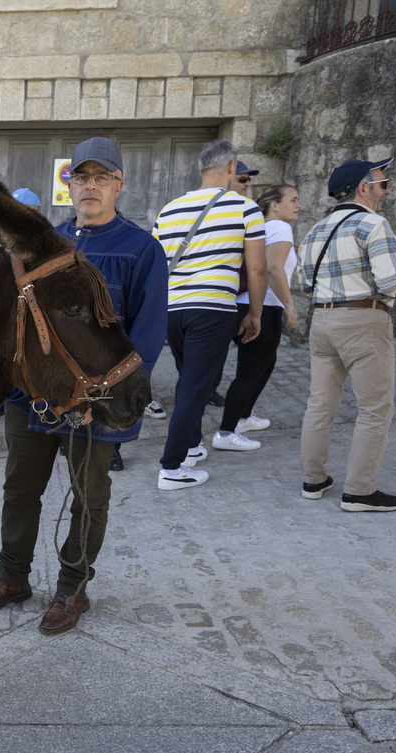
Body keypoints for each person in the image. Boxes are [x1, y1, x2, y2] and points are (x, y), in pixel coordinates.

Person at [0, 137, 167, 634]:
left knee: (88, 495)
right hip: (34, 398)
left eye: (101, 177)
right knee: (19, 490)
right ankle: (12, 576)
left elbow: (147, 334)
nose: (90, 186)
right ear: (68, 184)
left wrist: (107, 397)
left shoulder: (141, 250)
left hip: (93, 404)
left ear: (119, 184)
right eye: (81, 177)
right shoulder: (46, 245)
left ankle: (72, 588)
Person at [298, 157, 396, 512]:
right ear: (363, 188)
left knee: (320, 404)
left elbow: (307, 285)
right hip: (364, 319)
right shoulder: (374, 225)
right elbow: (391, 285)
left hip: (321, 321)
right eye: (383, 184)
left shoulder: (315, 230)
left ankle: (313, 480)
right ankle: (359, 492)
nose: (387, 190)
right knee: (375, 409)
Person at [151, 140, 266, 491]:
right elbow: (258, 269)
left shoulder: (169, 209)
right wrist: (255, 315)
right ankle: (172, 467)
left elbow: (157, 265)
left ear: (201, 169)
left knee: (190, 380)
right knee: (195, 386)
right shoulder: (244, 208)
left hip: (172, 309)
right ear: (231, 167)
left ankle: (191, 446)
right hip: (212, 308)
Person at [212, 184, 301, 448]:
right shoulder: (280, 228)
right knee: (250, 371)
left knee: (265, 364)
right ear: (274, 204)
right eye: (293, 200)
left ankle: (244, 416)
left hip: (242, 302)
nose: (298, 205)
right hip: (263, 305)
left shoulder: (256, 226)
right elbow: (274, 269)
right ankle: (227, 432)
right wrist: (290, 306)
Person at [206, 159, 264, 408]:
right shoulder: (229, 210)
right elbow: (258, 267)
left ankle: (209, 388)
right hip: (216, 293)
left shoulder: (244, 209)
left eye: (249, 180)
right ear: (228, 177)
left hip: (235, 292)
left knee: (221, 348)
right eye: (242, 179)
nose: (247, 184)